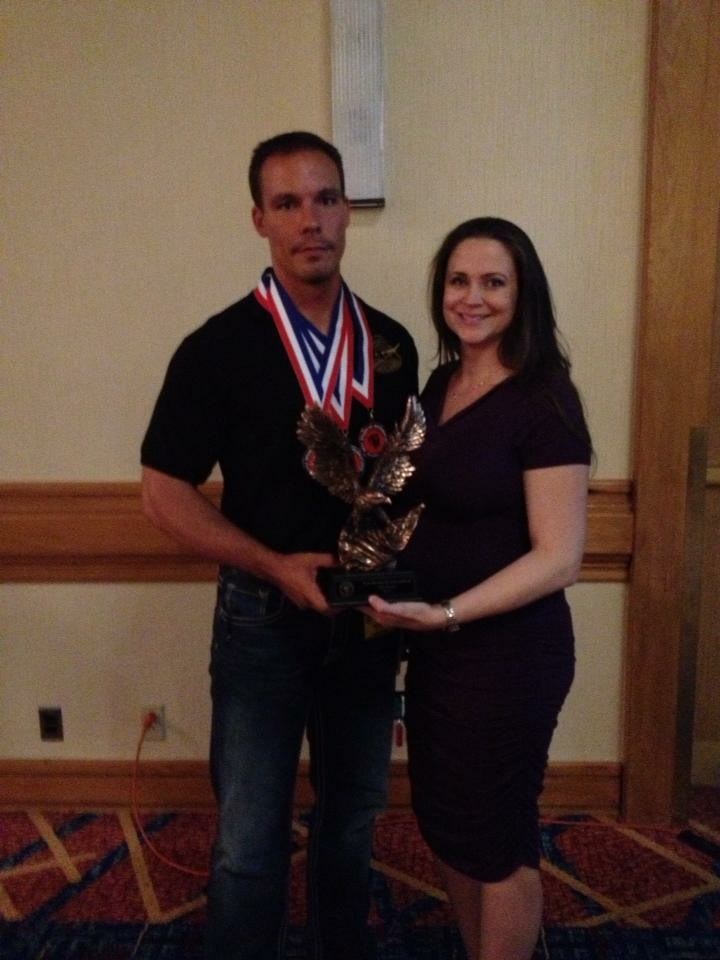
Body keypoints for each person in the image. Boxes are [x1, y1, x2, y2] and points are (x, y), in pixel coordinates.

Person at [140, 131, 418, 960]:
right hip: (262, 622)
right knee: (250, 845)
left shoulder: (395, 345)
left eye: (326, 198)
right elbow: (162, 494)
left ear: (346, 212)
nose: (311, 220)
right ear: (258, 217)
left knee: (352, 825)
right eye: (289, 203)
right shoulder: (218, 348)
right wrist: (270, 565)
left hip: (366, 625)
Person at [365, 217, 591, 960]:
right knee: (448, 825)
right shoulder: (441, 383)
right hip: (437, 652)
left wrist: (450, 612)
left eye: (493, 281)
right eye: (459, 281)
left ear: (523, 293)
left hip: (509, 657)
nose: (473, 297)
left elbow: (560, 558)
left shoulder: (545, 399)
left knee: (496, 838)